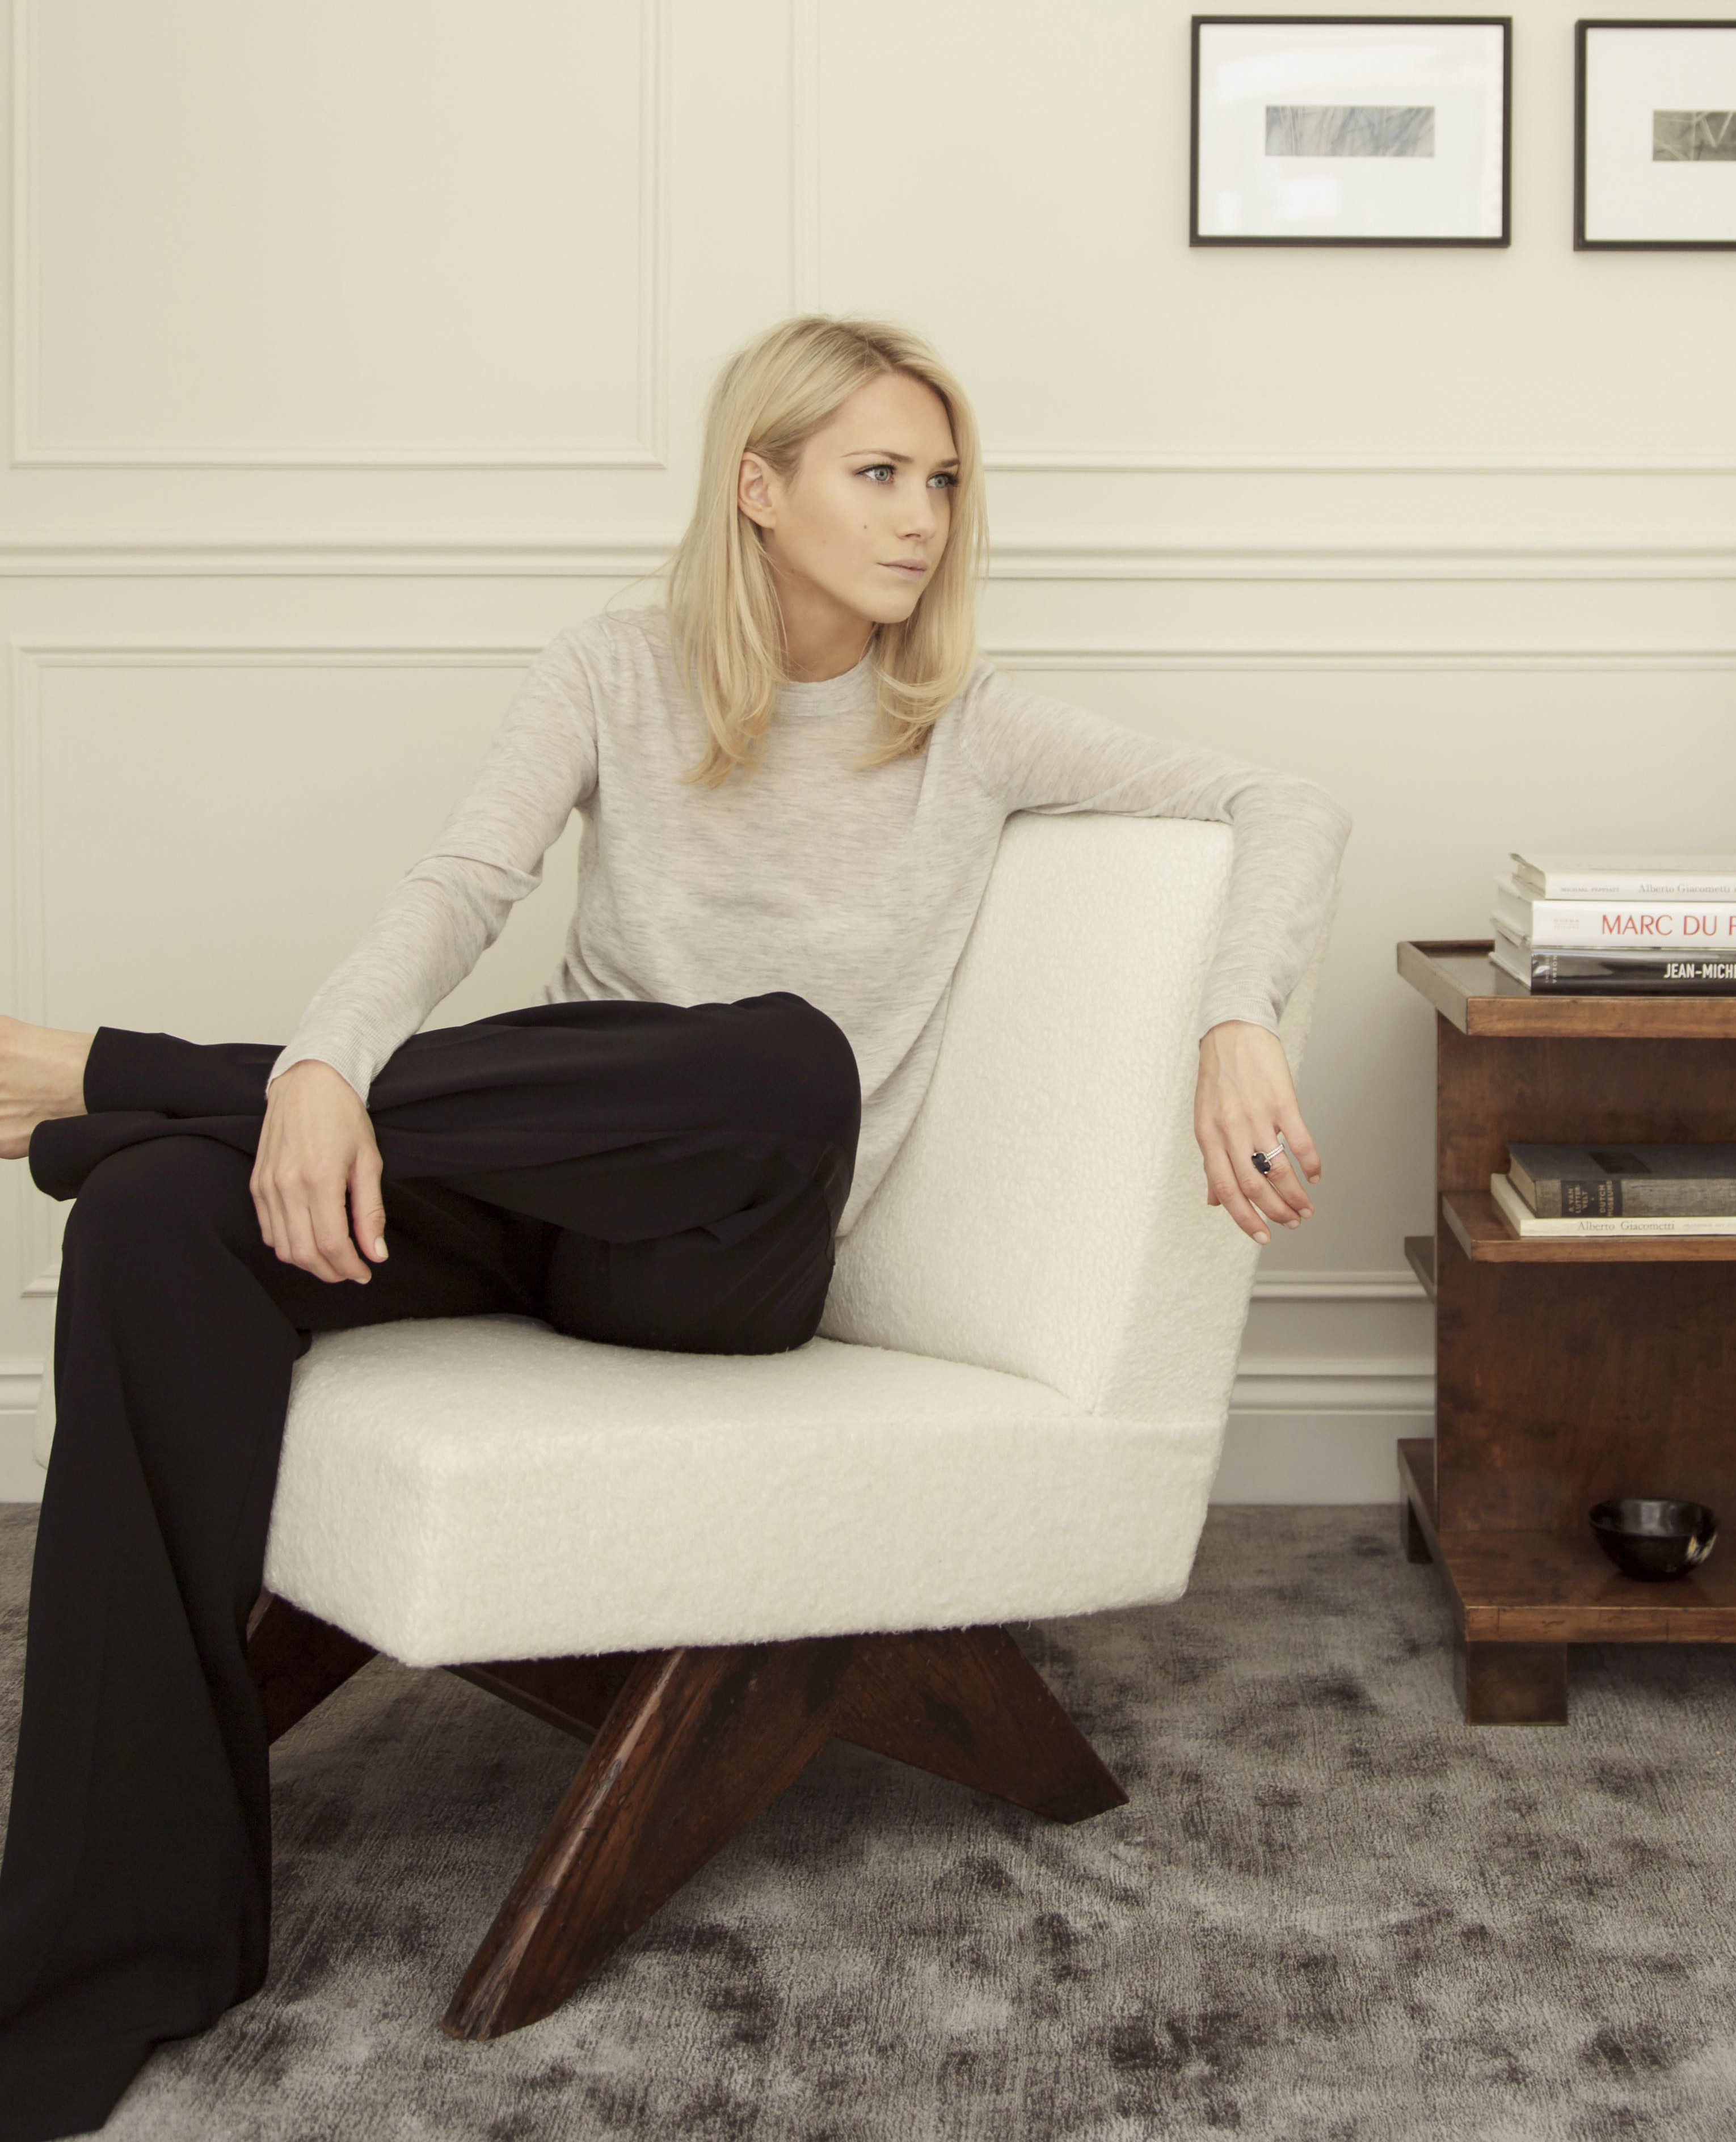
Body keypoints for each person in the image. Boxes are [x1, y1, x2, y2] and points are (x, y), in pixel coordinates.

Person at [0, 312, 1352, 2137]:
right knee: (156, 1217)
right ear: (759, 486)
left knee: (779, 1064)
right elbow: (464, 882)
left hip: (716, 1257)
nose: (923, 520)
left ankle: (143, 1067)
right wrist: (324, 1065)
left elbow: (1286, 798)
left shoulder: (968, 731)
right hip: (531, 1189)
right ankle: (112, 1953)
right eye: (878, 474)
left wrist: (1234, 1015)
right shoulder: (614, 671)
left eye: (943, 481)